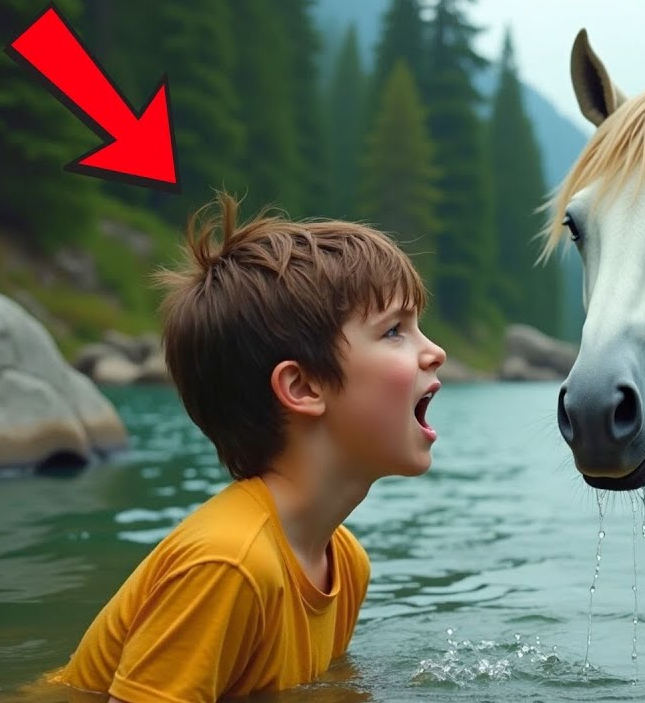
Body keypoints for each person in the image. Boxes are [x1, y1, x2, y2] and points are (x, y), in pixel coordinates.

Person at [49, 190, 447, 702]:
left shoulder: (345, 562)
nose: (435, 351)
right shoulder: (229, 563)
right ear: (303, 387)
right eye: (394, 331)